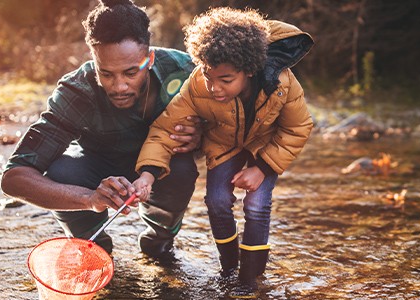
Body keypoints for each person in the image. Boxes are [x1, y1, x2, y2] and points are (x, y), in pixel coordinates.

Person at [0, 0, 203, 256]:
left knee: (183, 168)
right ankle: (95, 251)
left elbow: (236, 122)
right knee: (62, 170)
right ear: (94, 60)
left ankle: (159, 241)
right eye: (106, 74)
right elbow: (14, 178)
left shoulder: (185, 71)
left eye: (131, 72)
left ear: (149, 58)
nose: (119, 86)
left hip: (162, 168)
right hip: (96, 168)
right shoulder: (76, 91)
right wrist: (88, 199)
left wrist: (201, 137)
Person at [133, 6, 314, 292]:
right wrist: (147, 173)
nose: (214, 87)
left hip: (264, 146)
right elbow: (165, 129)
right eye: (208, 75)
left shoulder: (282, 84)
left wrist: (263, 168)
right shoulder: (197, 85)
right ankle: (229, 269)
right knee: (217, 201)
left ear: (250, 70)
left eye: (225, 80)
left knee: (256, 204)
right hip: (223, 143)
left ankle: (250, 279)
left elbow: (298, 127)